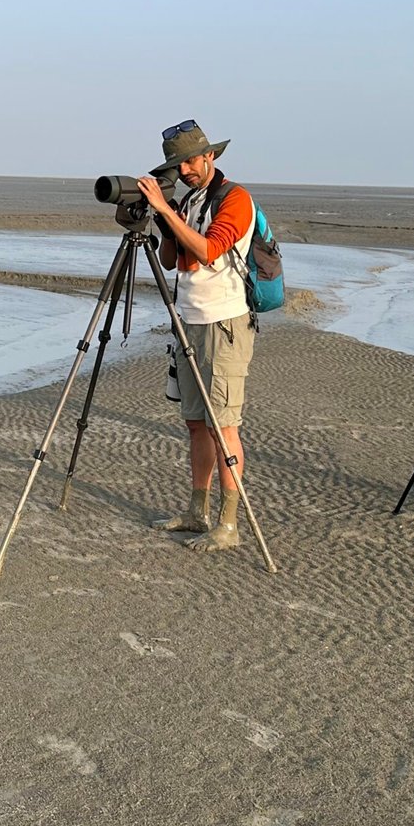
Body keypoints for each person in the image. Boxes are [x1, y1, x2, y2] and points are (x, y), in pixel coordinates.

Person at [136, 120, 259, 552]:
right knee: (195, 424)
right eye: (178, 164)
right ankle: (197, 511)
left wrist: (167, 210)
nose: (185, 170)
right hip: (187, 321)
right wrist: (163, 217)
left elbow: (209, 250)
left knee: (222, 425)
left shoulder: (236, 199)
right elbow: (172, 260)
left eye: (190, 161)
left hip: (223, 324)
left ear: (209, 156)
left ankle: (229, 525)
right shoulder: (190, 200)